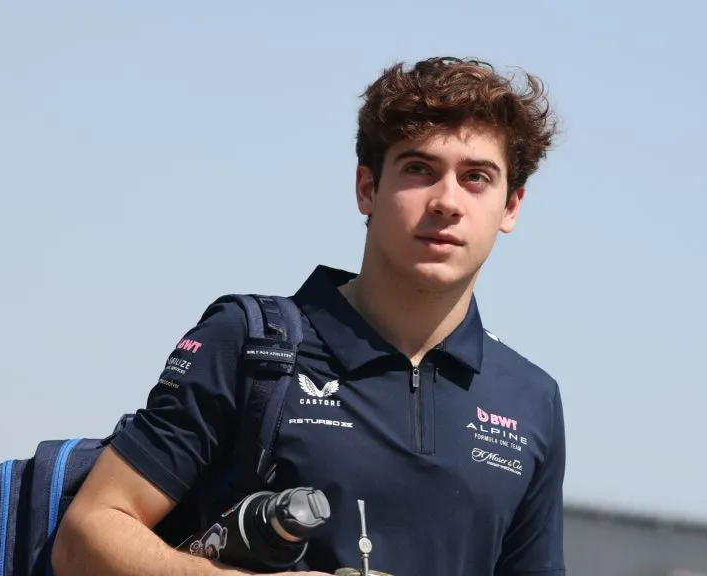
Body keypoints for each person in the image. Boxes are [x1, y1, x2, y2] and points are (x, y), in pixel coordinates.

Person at [51, 56, 566, 576]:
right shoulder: (252, 345)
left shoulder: (531, 401)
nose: (447, 201)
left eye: (476, 177)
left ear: (511, 206)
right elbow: (86, 535)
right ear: (367, 188)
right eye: (419, 169)